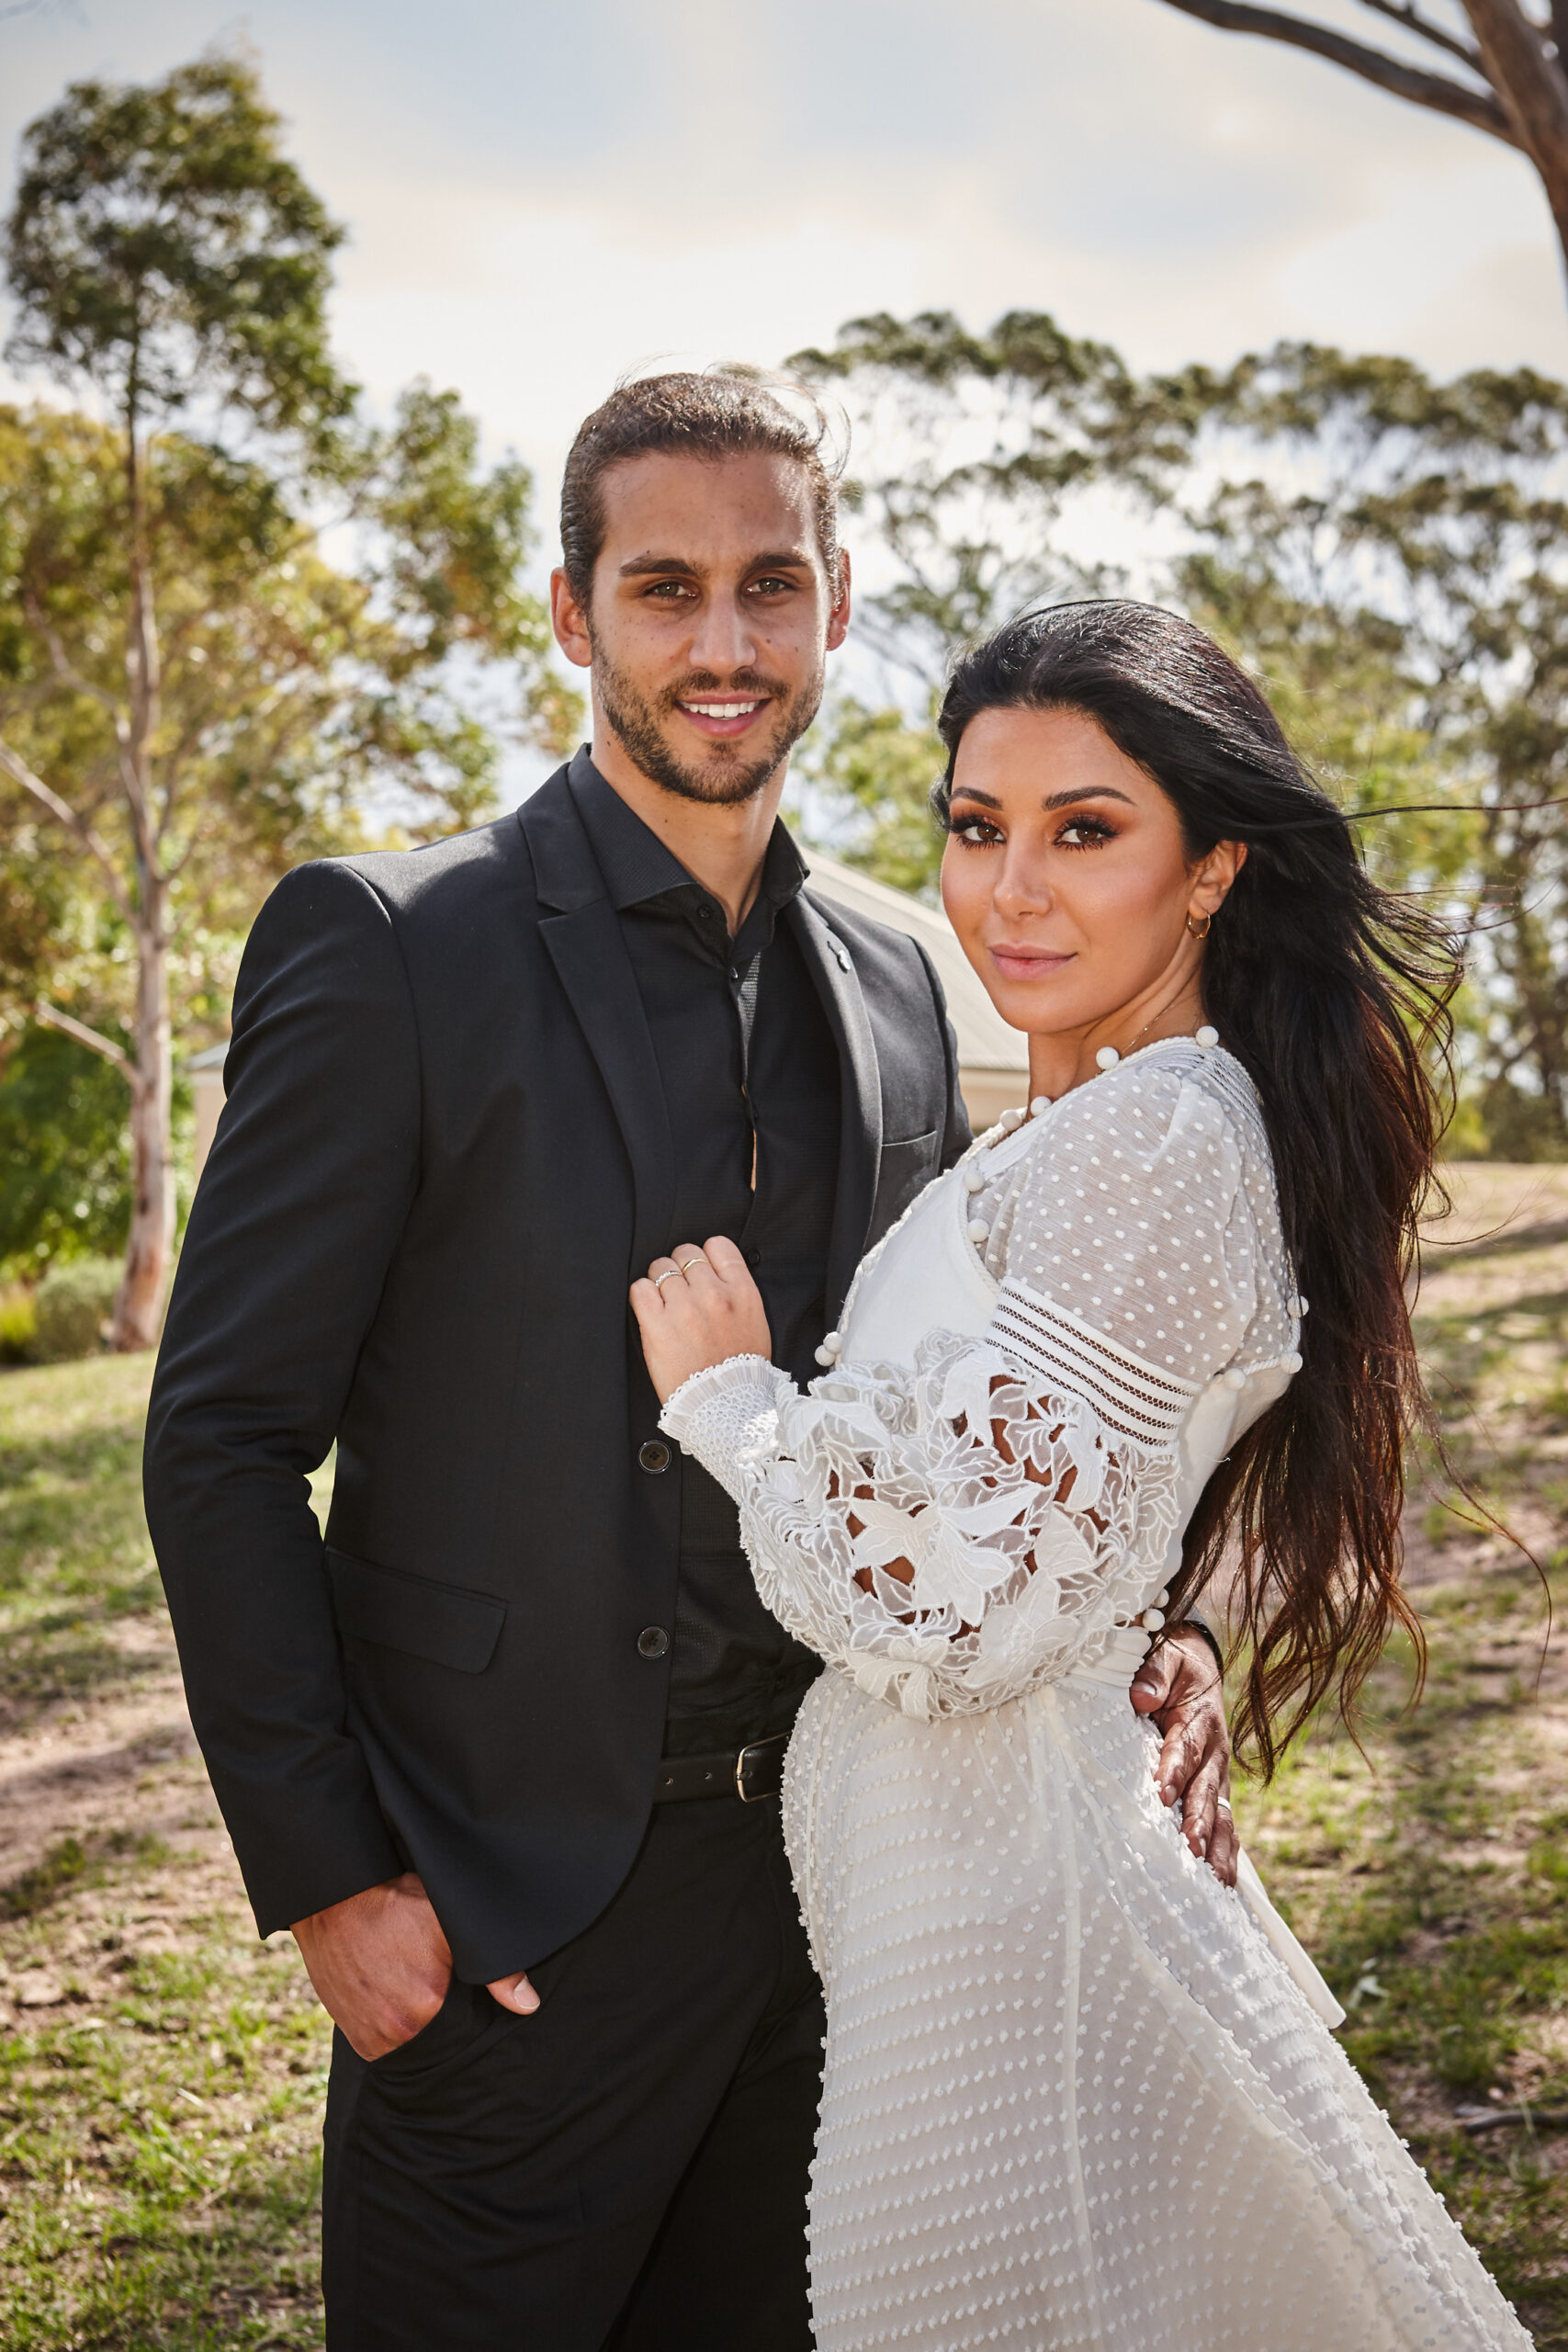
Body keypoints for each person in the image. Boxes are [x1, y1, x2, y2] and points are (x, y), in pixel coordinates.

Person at [142, 380, 1231, 2351]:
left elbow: (1020, 1405)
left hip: (840, 1907)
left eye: (768, 585)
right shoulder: (390, 945)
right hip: (504, 1919)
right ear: (574, 612)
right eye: (663, 588)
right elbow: (220, 1438)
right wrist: (334, 1885)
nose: (722, 643)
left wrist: (1190, 1633)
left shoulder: (903, 984)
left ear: (835, 605)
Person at [633, 598, 1533, 2352]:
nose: (1012, 891)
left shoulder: (1156, 1135)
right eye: (979, 827)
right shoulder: (1093, 1126)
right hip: (960, 1904)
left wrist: (733, 1402)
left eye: (1087, 830)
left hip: (1017, 1913)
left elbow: (968, 1612)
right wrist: (1186, 1621)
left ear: (1212, 871)